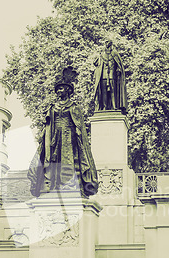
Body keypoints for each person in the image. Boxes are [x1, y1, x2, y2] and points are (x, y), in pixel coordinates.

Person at [28, 67, 98, 197]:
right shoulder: (53, 107)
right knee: (54, 161)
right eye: (58, 89)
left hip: (69, 137)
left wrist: (78, 136)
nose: (59, 91)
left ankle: (70, 185)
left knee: (69, 160)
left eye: (61, 88)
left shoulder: (73, 106)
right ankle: (54, 185)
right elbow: (48, 124)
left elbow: (78, 125)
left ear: (68, 90)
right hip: (55, 137)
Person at [93, 40, 127, 112]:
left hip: (112, 76)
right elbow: (96, 64)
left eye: (108, 43)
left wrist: (118, 70)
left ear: (111, 44)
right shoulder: (101, 55)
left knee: (113, 91)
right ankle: (104, 107)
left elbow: (119, 65)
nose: (107, 44)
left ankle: (114, 106)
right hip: (103, 76)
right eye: (106, 43)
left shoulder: (114, 53)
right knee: (104, 92)